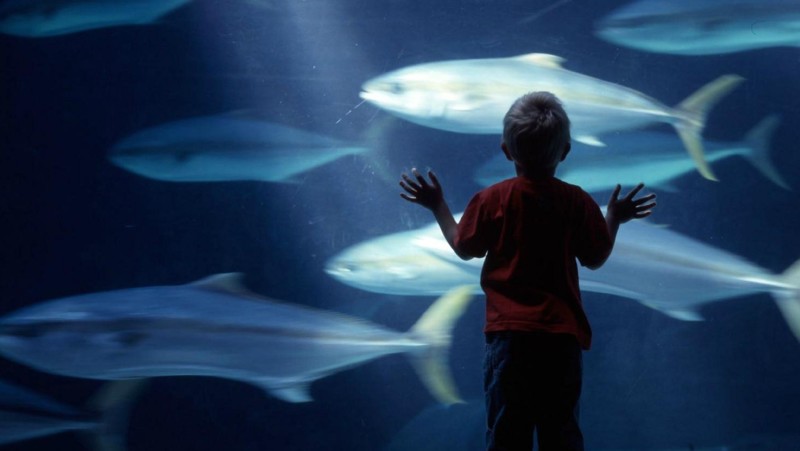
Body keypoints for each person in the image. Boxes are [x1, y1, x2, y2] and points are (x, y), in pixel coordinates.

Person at [398, 91, 656, 451]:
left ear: (506, 150)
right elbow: (595, 258)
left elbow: (464, 248)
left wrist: (437, 205)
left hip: (510, 338)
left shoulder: (490, 200)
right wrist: (614, 218)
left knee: (507, 433)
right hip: (561, 338)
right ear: (565, 151)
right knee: (561, 432)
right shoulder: (577, 201)